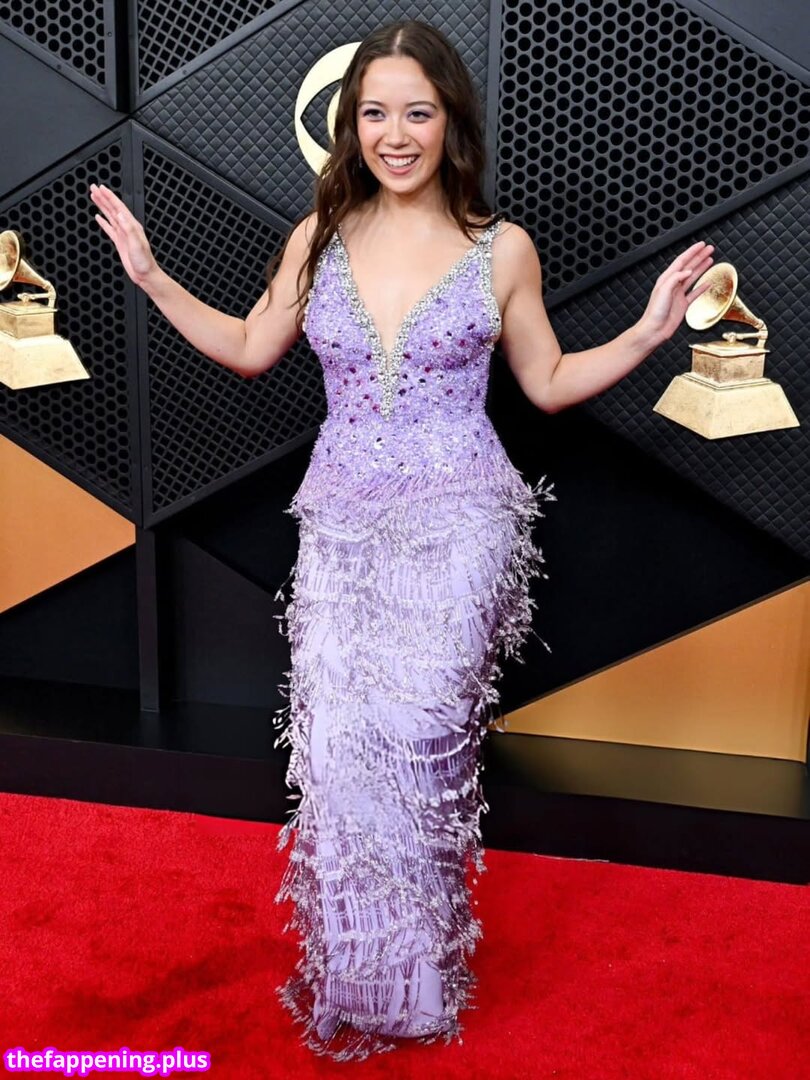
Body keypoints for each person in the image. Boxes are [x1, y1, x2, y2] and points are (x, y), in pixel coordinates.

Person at [90, 18, 713, 1063]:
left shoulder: (501, 247)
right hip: (340, 524)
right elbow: (248, 345)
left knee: (421, 740)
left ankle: (418, 980)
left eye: (416, 112)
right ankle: (367, 984)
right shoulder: (319, 237)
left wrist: (649, 333)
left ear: (449, 120)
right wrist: (152, 276)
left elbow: (548, 381)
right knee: (337, 754)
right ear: (351, 126)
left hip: (460, 522)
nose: (395, 133)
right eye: (375, 113)